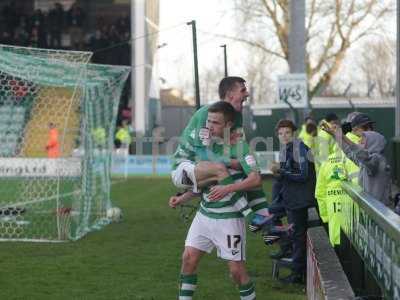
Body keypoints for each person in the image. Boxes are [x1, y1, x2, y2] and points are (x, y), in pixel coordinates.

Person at [169, 102, 263, 300]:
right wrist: (182, 198)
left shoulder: (240, 146)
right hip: (204, 215)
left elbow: (255, 179)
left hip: (229, 219)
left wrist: (227, 188)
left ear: (228, 126)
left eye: (216, 123)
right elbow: (204, 184)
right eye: (208, 121)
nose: (210, 126)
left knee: (236, 273)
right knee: (188, 259)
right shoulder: (204, 147)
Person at [171, 77, 270, 228]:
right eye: (243, 90)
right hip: (183, 168)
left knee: (250, 170)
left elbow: (237, 149)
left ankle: (268, 224)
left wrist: (243, 163)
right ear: (230, 95)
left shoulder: (236, 116)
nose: (247, 94)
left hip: (206, 167)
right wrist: (232, 162)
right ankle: (251, 218)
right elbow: (202, 156)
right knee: (220, 169)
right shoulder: (207, 113)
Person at [270, 119, 316, 284]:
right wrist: (278, 172)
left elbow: (302, 175)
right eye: (281, 133)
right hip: (291, 197)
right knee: (271, 213)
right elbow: (287, 174)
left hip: (300, 199)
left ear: (294, 133)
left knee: (298, 236)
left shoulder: (299, 148)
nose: (284, 136)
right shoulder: (287, 149)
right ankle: (286, 246)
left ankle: (297, 273)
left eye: (287, 133)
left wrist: (280, 170)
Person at [321, 120, 391, 206]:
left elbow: (363, 156)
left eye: (363, 139)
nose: (359, 141)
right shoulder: (366, 162)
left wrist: (343, 136)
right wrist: (335, 136)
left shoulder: (378, 160)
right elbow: (349, 152)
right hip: (371, 209)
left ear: (373, 143)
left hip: (379, 211)